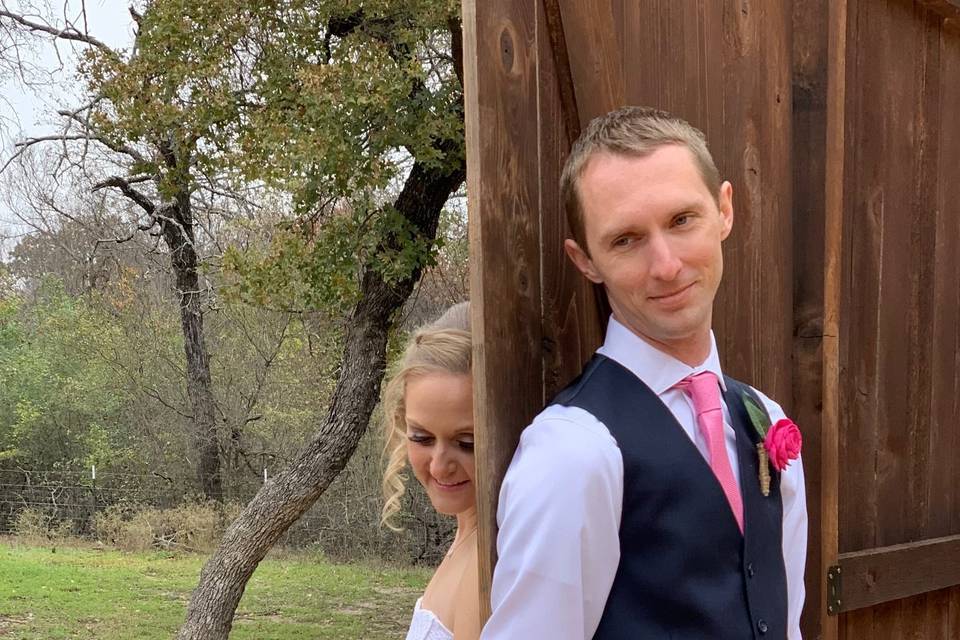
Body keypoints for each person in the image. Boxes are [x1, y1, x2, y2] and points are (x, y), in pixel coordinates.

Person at [481, 107, 807, 639]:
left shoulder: (765, 418)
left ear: (724, 210)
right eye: (626, 239)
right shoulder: (572, 450)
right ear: (585, 259)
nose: (666, 265)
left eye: (682, 221)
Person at [381, 302, 481, 640]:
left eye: (466, 442)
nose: (439, 465)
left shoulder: (488, 564)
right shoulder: (466, 534)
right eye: (421, 437)